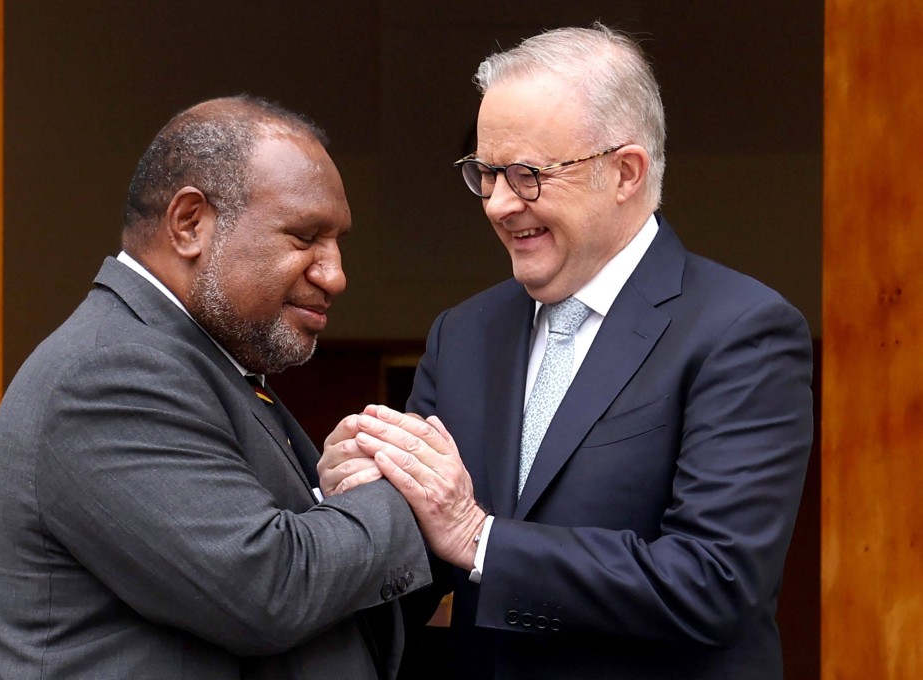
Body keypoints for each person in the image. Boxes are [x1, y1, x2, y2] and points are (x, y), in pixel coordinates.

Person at [319, 24, 814, 679]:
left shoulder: (740, 330)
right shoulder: (462, 334)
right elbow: (419, 564)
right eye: (485, 173)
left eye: (527, 175)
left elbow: (714, 584)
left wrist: (480, 537)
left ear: (625, 173)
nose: (498, 204)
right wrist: (351, 503)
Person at [0, 95, 430, 680]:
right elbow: (268, 588)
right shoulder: (111, 374)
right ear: (190, 223)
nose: (334, 274)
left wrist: (337, 500)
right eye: (304, 238)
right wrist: (406, 490)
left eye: (337, 242)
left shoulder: (197, 362)